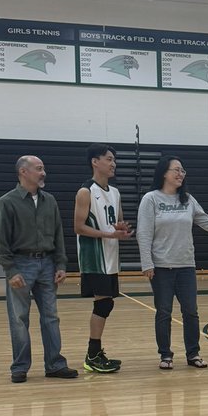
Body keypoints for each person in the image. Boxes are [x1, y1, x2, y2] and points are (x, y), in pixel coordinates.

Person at [136, 156, 208, 369]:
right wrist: (146, 263)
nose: (180, 174)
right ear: (164, 173)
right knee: (164, 312)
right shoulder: (151, 199)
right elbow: (143, 233)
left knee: (190, 311)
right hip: (161, 267)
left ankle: (193, 354)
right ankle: (165, 355)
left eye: (182, 171)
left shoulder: (187, 199)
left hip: (186, 266)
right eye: (176, 170)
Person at [0, 155, 78, 383]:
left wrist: (61, 264)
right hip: (21, 264)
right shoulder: (7, 202)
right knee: (19, 318)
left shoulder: (49, 201)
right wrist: (10, 271)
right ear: (24, 172)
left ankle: (55, 364)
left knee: (51, 316)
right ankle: (20, 367)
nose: (43, 173)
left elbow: (59, 234)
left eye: (44, 169)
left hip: (48, 264)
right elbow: (1, 241)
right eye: (39, 169)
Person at [73, 144, 134, 374]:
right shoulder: (85, 191)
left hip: (110, 256)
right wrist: (110, 233)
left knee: (106, 303)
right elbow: (79, 227)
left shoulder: (115, 192)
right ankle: (92, 354)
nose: (113, 163)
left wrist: (122, 229)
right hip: (93, 257)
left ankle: (94, 353)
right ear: (94, 162)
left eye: (114, 160)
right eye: (109, 159)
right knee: (104, 303)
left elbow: (117, 222)